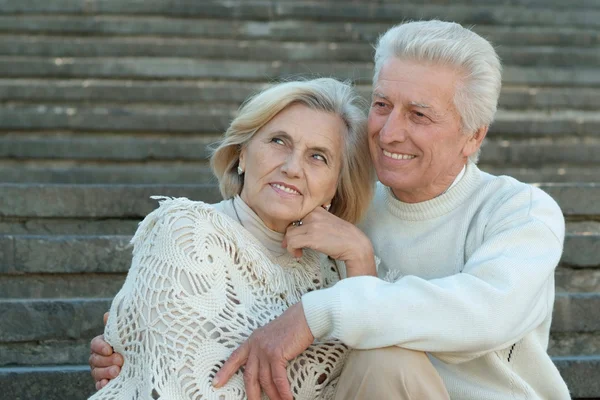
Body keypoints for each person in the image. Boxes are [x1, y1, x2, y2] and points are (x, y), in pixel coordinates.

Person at [91, 20, 571, 400]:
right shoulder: (340, 208)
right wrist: (138, 352)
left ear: (473, 136)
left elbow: (485, 313)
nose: (387, 132)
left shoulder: (519, 212)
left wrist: (317, 310)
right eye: (382, 104)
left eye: (419, 114)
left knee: (387, 359)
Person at [87, 77, 377, 399]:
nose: (293, 167)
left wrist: (361, 256)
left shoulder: (340, 269)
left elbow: (377, 376)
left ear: (335, 186)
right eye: (279, 141)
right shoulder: (185, 231)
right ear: (242, 154)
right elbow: (184, 387)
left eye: (318, 156)